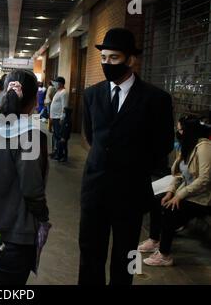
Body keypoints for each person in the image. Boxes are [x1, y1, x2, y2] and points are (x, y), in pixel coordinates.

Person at [79, 28, 174, 285]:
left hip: (131, 193)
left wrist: (156, 183)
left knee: (125, 256)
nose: (107, 63)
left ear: (131, 59)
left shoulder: (156, 99)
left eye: (114, 58)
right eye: (104, 58)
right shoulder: (92, 95)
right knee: (90, 253)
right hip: (94, 189)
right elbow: (92, 137)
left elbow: (163, 146)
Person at [0, 69, 50, 285]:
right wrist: (43, 216)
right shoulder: (30, 133)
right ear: (32, 100)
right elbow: (32, 189)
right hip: (15, 235)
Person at [141, 116, 211, 266]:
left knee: (170, 210)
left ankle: (165, 255)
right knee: (156, 201)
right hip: (187, 192)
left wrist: (179, 195)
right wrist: (170, 192)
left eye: (179, 130)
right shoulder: (187, 145)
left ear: (188, 131)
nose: (177, 132)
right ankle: (154, 240)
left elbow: (205, 179)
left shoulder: (204, 147)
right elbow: (179, 175)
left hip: (202, 198)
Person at [49, 77, 68, 161]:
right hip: (54, 117)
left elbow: (65, 106)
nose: (54, 84)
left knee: (60, 137)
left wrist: (62, 118)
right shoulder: (58, 92)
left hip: (59, 118)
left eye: (56, 83)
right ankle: (56, 152)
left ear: (60, 83)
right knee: (55, 136)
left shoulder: (64, 92)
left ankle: (62, 154)